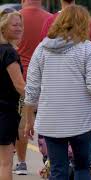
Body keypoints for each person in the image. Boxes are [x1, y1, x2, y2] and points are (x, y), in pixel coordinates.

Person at [24, 5, 91, 180]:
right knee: (83, 166)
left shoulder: (42, 49)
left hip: (50, 120)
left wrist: (29, 120)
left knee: (58, 169)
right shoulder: (88, 49)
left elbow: (31, 89)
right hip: (81, 120)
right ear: (83, 24)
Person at [12, 0, 51, 175]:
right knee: (48, 124)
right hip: (46, 79)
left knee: (22, 123)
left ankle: (21, 162)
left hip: (19, 78)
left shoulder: (15, 19)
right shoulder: (51, 20)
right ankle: (50, 161)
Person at [0, 8, 24, 180]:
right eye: (14, 25)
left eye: (20, 25)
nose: (19, 28)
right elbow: (20, 86)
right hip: (5, 111)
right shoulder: (8, 52)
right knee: (5, 163)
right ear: (3, 27)